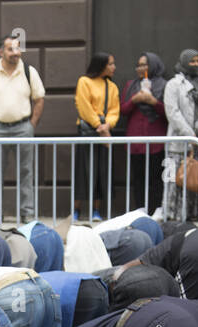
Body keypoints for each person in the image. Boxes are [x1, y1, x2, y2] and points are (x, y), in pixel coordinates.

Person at [0, 35, 45, 225]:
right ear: (1, 52)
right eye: (10, 49)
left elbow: (39, 99)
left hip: (23, 127)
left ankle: (27, 212)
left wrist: (31, 125)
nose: (16, 53)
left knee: (26, 171)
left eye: (17, 49)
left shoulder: (29, 71)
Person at [162, 49, 198, 223]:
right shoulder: (173, 84)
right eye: (192, 61)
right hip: (178, 143)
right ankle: (173, 214)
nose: (196, 65)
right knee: (174, 179)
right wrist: (191, 136)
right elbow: (172, 112)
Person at [118, 51, 166, 215]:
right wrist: (135, 100)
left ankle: (156, 210)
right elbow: (122, 109)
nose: (141, 68)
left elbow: (169, 111)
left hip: (156, 141)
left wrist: (154, 102)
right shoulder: (131, 85)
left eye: (145, 64)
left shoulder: (163, 85)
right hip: (136, 140)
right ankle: (140, 211)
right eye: (139, 65)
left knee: (156, 177)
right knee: (138, 178)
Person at [74, 52, 119, 222]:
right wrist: (99, 125)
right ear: (101, 65)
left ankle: (96, 210)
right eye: (111, 64)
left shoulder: (112, 87)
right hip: (88, 132)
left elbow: (115, 109)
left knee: (101, 171)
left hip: (104, 131)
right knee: (83, 171)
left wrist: (108, 125)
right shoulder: (84, 82)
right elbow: (83, 105)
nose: (114, 67)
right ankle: (76, 209)